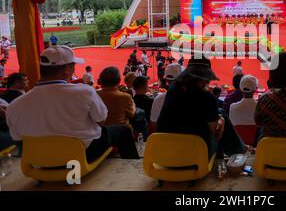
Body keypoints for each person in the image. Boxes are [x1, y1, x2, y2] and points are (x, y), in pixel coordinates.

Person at [6, 46, 139, 160]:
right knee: (124, 130)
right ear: (67, 70)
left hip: (40, 160)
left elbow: (17, 136)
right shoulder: (85, 91)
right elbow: (102, 120)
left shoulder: (15, 105)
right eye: (73, 65)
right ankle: (133, 168)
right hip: (81, 155)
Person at [157, 57, 246, 158]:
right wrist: (221, 120)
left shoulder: (173, 89)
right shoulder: (208, 98)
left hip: (165, 152)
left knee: (220, 112)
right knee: (222, 121)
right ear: (205, 78)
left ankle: (238, 149)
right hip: (194, 156)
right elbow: (216, 132)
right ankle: (236, 151)